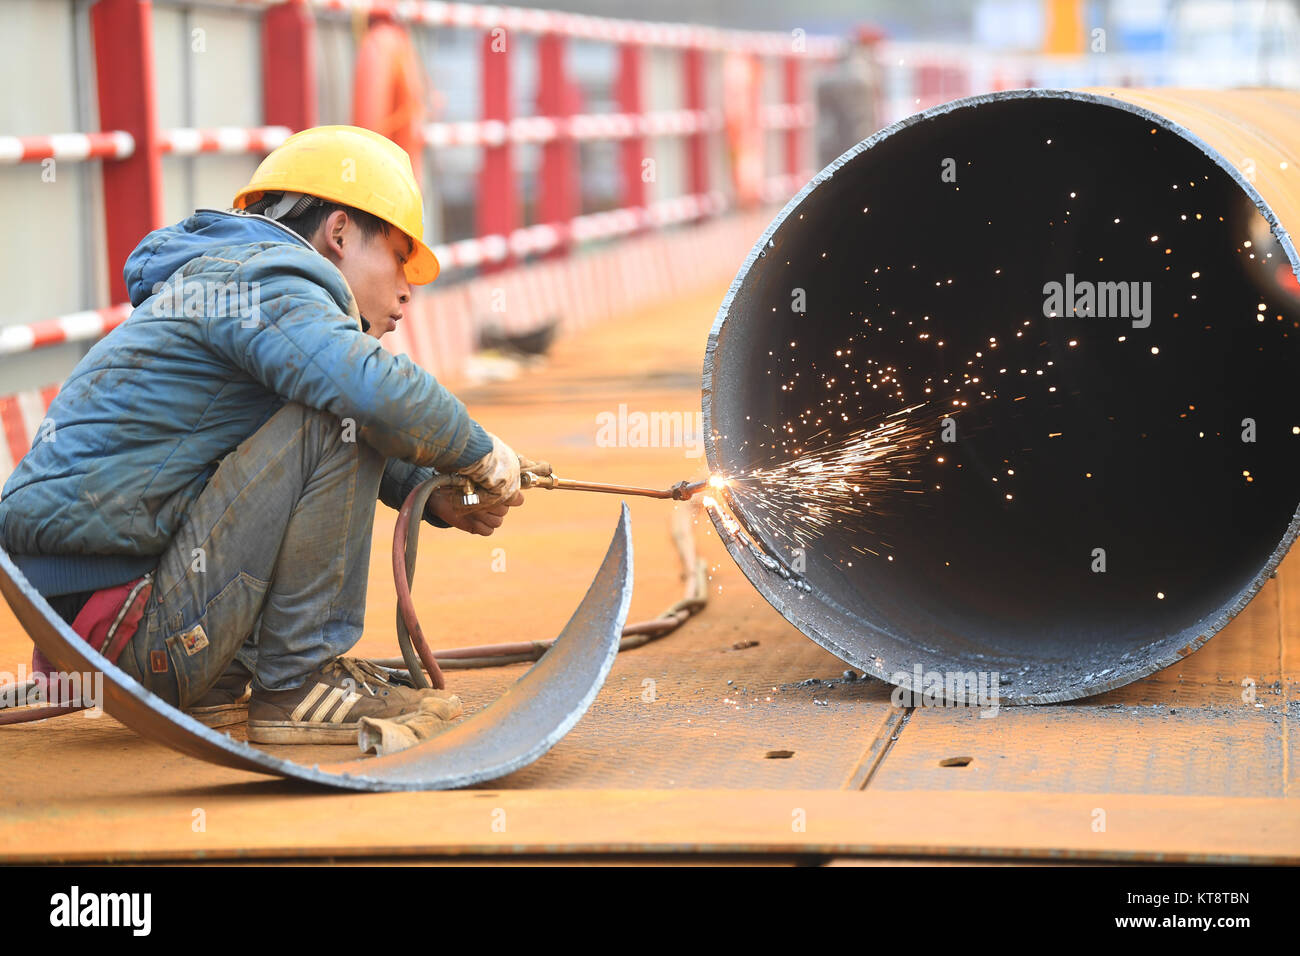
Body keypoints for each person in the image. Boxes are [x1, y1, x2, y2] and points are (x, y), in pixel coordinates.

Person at [0, 125, 526, 744]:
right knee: (342, 408)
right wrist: (480, 451)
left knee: (336, 399)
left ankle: (216, 685)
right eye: (398, 258)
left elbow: (282, 444)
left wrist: (427, 489)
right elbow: (364, 391)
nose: (408, 291)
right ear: (338, 233)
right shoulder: (268, 280)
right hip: (132, 627)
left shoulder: (227, 281)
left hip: (100, 629)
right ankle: (299, 683)